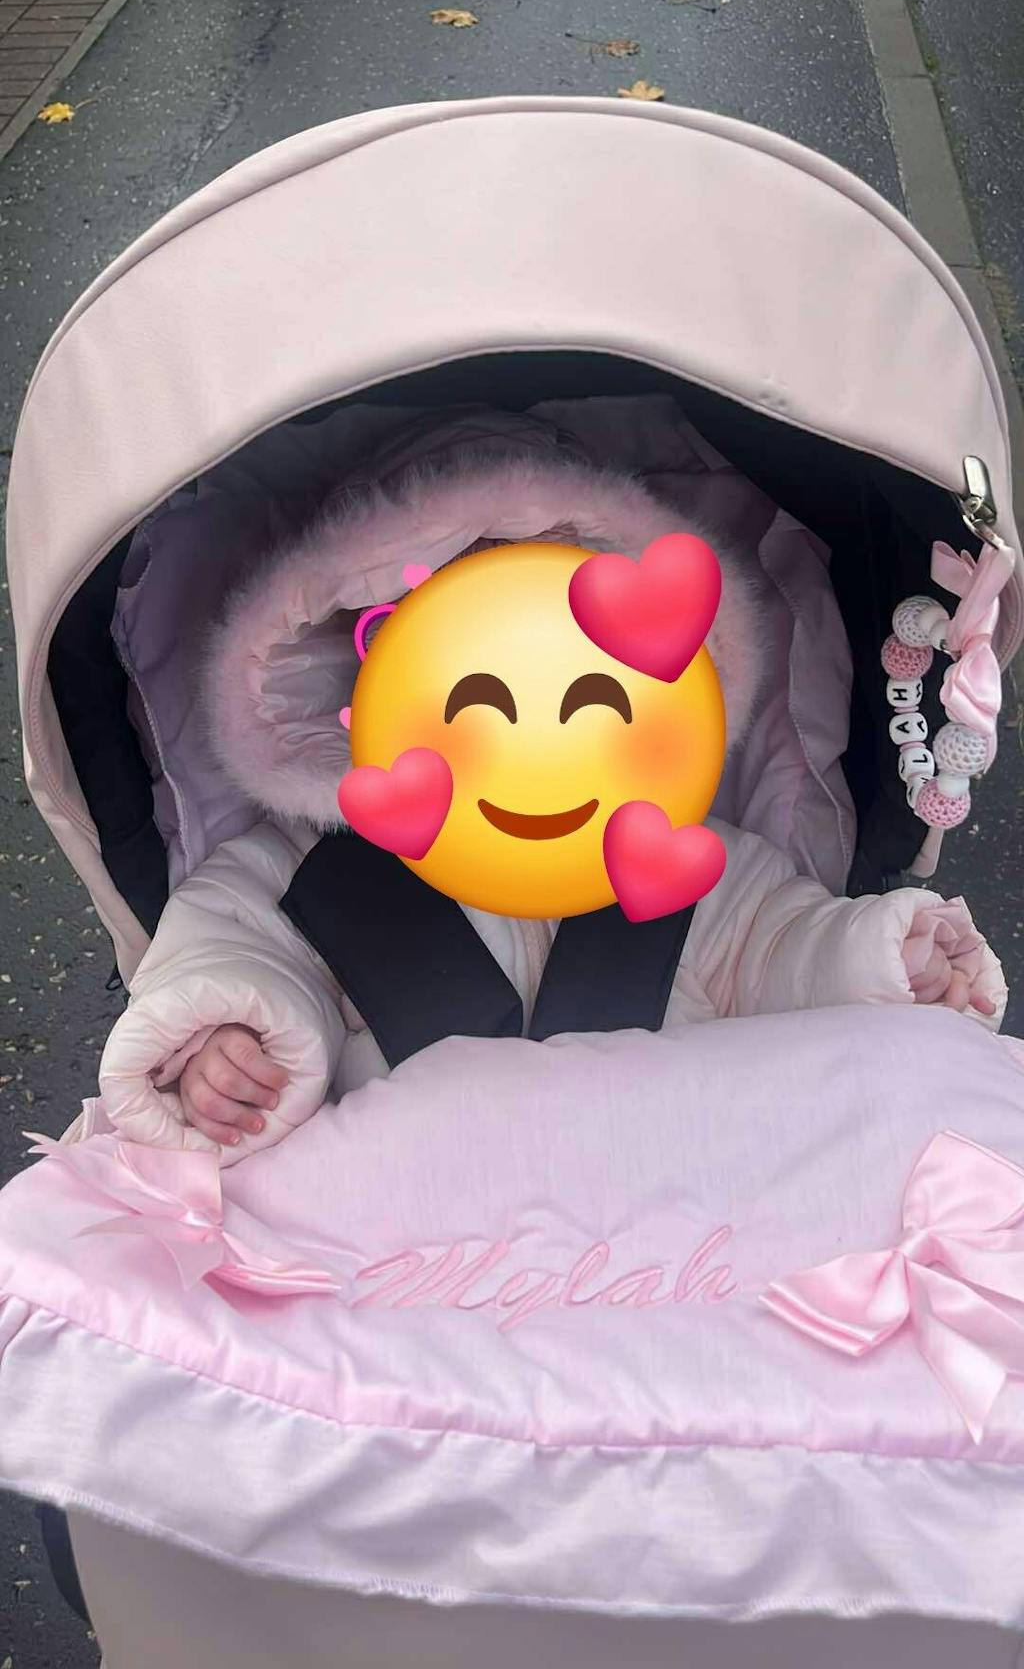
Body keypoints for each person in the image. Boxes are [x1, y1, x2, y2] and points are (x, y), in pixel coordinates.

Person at [97, 455, 1006, 1159]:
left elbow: (781, 954)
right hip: (401, 1225)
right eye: (474, 692)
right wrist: (233, 1032)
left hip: (671, 1208)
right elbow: (229, 943)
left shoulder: (692, 859)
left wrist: (875, 961)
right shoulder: (307, 865)